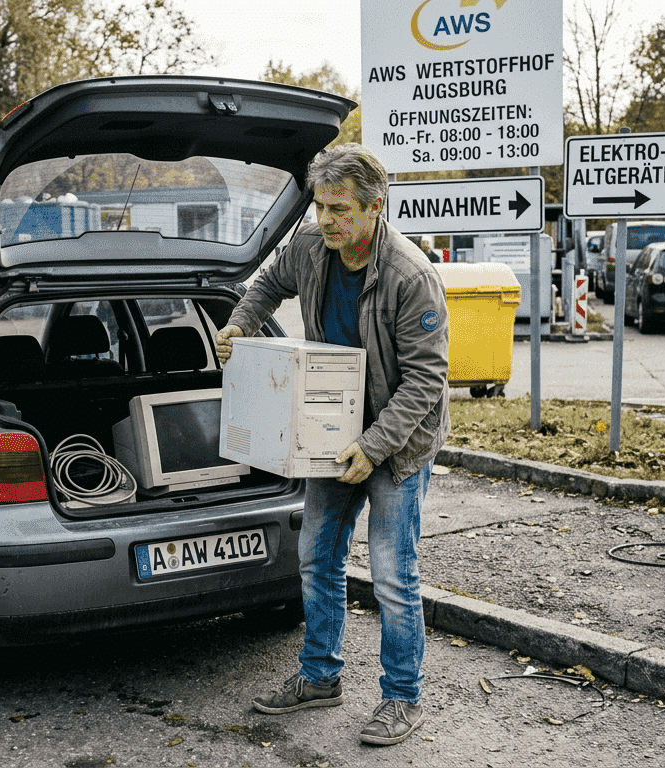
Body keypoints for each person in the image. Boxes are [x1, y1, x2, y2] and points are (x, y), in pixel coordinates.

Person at [213, 143, 449, 747]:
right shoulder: (311, 247)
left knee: (395, 578)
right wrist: (240, 322)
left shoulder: (411, 275)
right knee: (318, 558)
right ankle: (320, 676)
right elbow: (266, 282)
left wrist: (373, 446)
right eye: (320, 207)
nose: (326, 219)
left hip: (397, 446)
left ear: (375, 206)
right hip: (330, 436)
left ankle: (402, 699)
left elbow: (427, 379)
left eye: (340, 209)